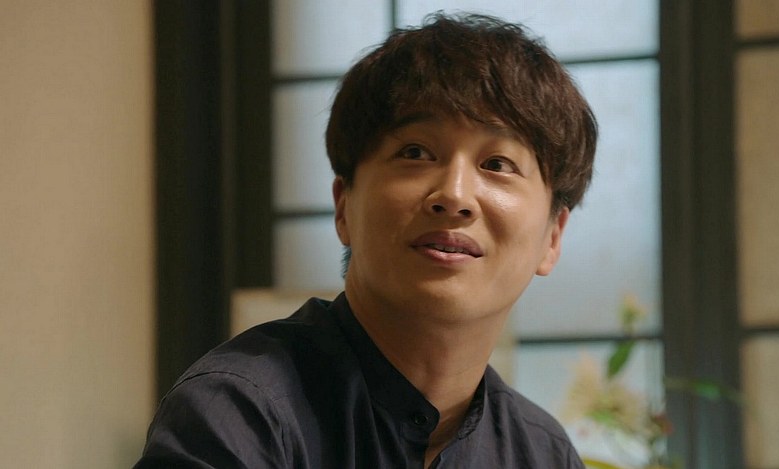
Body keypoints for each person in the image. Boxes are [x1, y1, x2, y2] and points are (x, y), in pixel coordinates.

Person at [136, 12, 596, 469]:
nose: (454, 196)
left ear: (552, 237)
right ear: (343, 208)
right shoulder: (243, 413)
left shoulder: (544, 454)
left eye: (497, 164)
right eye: (415, 152)